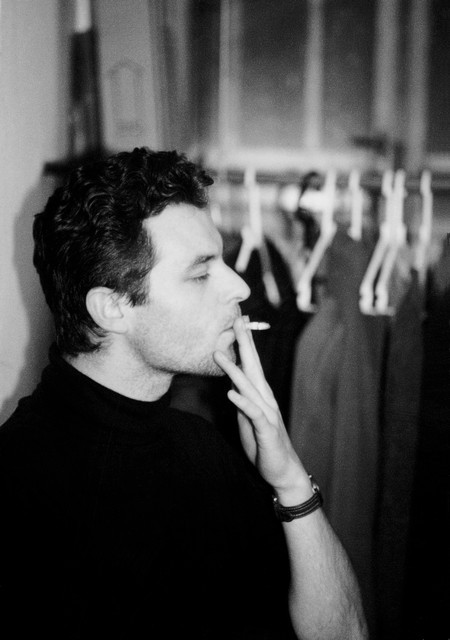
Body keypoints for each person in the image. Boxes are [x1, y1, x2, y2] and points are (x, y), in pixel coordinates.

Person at [0, 147, 368, 639]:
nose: (240, 288)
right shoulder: (20, 488)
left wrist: (290, 481)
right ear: (112, 308)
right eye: (200, 272)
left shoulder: (202, 447)